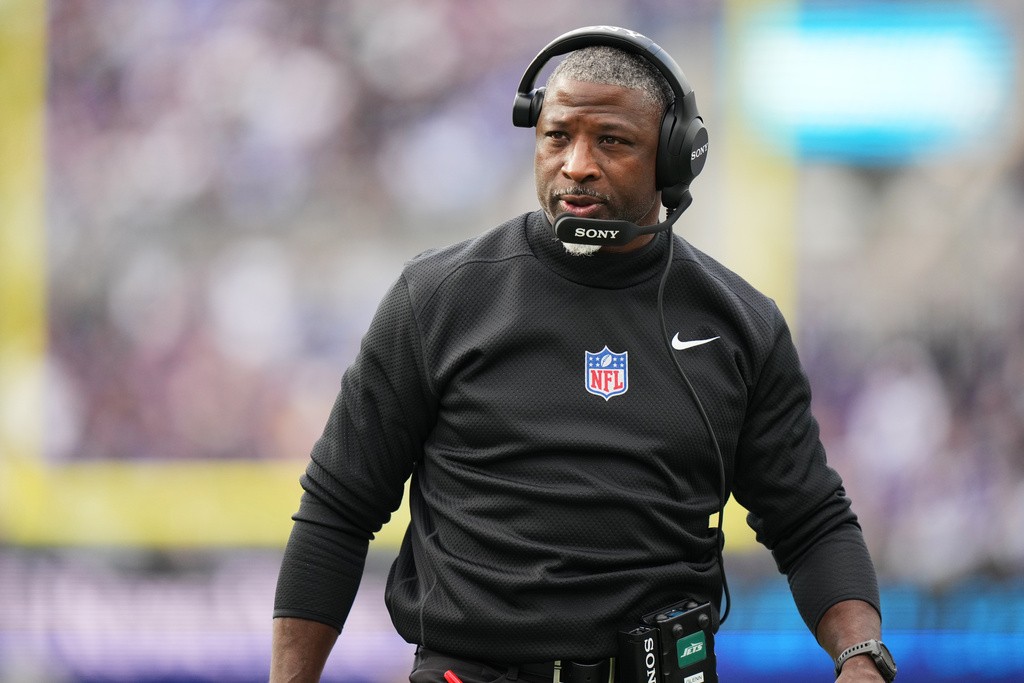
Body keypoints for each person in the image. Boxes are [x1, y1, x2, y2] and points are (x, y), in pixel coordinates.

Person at [270, 26, 894, 683]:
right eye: (557, 136)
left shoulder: (740, 324)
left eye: (612, 141)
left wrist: (861, 655)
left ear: (675, 157)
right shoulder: (439, 297)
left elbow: (812, 521)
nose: (576, 164)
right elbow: (337, 510)